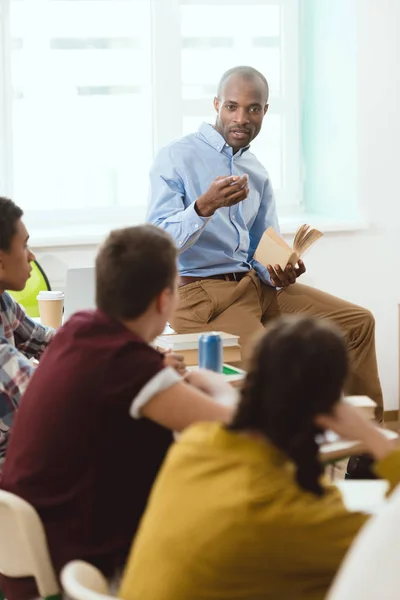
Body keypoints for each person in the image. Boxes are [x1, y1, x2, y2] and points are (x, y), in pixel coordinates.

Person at [0, 224, 234, 600]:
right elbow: (238, 427)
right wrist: (214, 381)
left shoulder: (79, 328)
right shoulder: (127, 365)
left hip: (31, 560)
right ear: (164, 300)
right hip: (83, 568)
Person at [146, 65, 383, 424]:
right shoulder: (177, 157)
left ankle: (365, 453)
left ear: (265, 111)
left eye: (253, 108)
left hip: (254, 287)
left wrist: (279, 270)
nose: (241, 118)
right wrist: (203, 207)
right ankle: (285, 464)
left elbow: (259, 246)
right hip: (201, 295)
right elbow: (156, 245)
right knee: (276, 368)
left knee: (357, 323)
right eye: (231, 106)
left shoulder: (255, 171)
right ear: (216, 105)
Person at [119, 316, 400, 600]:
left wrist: (221, 391)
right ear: (330, 409)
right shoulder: (297, 515)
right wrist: (371, 435)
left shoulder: (196, 444)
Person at [0, 197, 54, 468]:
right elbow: (46, 397)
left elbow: (49, 342)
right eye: (24, 245)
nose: (31, 256)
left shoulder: (3, 303)